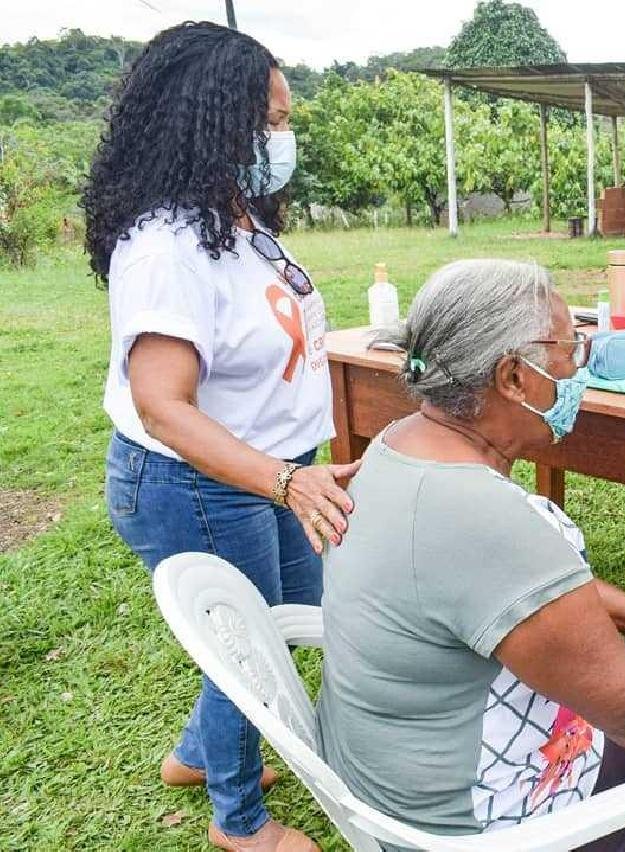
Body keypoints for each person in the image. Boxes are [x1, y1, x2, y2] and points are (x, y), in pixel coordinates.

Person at [317, 260, 625, 852]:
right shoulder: (490, 519)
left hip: (393, 766)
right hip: (472, 823)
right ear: (513, 376)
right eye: (572, 351)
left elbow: (489, 591)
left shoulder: (396, 444)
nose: (577, 371)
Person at [85, 22, 359, 851]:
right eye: (268, 121)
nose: (283, 138)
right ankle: (239, 823)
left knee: (290, 615)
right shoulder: (166, 244)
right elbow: (165, 405)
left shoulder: (233, 220)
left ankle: (199, 755)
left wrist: (297, 463)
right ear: (207, 119)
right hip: (196, 483)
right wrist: (286, 480)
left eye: (283, 120)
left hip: (263, 473)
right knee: (248, 647)